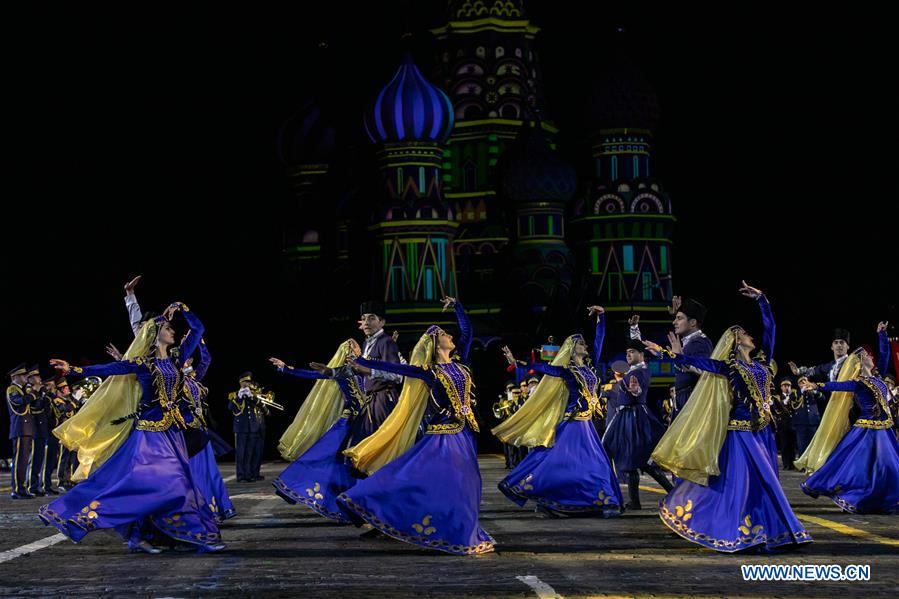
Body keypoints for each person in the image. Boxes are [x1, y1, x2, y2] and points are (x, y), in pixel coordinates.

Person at [644, 282, 812, 552]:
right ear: (736, 341)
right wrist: (667, 354)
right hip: (739, 434)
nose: (750, 336)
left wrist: (762, 301)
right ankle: (738, 532)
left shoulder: (762, 362)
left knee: (765, 485)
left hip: (762, 433)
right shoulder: (728, 367)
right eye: (744, 333)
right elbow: (700, 364)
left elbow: (771, 330)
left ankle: (772, 531)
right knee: (741, 486)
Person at [43, 303, 224, 553]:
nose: (173, 332)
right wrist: (74, 369)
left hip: (173, 433)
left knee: (168, 485)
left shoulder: (177, 358)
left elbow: (198, 328)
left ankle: (143, 536)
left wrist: (182, 307)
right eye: (168, 328)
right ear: (155, 333)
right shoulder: (143, 364)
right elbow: (110, 369)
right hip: (149, 434)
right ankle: (195, 535)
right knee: (173, 482)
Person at [337, 297, 495, 555]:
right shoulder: (429, 372)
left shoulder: (461, 361)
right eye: (443, 334)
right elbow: (397, 368)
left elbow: (468, 331)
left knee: (470, 483)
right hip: (443, 435)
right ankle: (371, 501)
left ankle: (462, 529)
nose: (449, 336)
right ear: (435, 344)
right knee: (448, 482)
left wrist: (457, 307)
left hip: (466, 432)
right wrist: (364, 362)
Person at [494, 306, 622, 517]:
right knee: (558, 465)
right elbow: (543, 368)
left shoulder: (589, 366)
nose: (585, 345)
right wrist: (517, 363)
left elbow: (599, 341)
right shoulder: (566, 371)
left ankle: (597, 502)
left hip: (587, 425)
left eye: (583, 342)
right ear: (571, 349)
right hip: (572, 425)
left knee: (595, 464)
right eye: (580, 343)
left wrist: (601, 317)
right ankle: (591, 502)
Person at [797, 322, 898, 514]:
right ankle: (856, 497)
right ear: (860, 362)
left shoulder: (878, 376)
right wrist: (817, 386)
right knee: (863, 466)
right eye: (867, 355)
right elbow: (838, 386)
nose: (871, 356)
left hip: (885, 430)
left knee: (885, 467)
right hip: (867, 431)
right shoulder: (858, 382)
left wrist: (882, 335)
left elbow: (885, 355)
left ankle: (881, 499)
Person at [269, 339, 365, 523]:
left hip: (368, 421)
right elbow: (313, 375)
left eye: (356, 346)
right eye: (351, 347)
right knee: (324, 456)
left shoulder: (367, 368)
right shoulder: (343, 371)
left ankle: (355, 505)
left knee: (357, 465)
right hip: (349, 422)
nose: (356, 348)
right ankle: (294, 486)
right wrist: (286, 368)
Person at [602, 339, 673, 510]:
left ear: (641, 354)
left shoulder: (641, 371)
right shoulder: (634, 370)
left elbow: (640, 387)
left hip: (633, 417)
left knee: (637, 459)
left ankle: (669, 492)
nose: (628, 355)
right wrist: (634, 327)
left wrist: (636, 390)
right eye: (627, 352)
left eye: (632, 352)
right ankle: (638, 501)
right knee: (635, 460)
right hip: (627, 416)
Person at [630, 296, 712, 419]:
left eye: (679, 318)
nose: (674, 322)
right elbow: (676, 356)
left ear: (693, 322)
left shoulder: (700, 342)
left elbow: (704, 370)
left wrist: (678, 357)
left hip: (694, 400)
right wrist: (662, 352)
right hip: (685, 399)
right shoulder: (689, 342)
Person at [228, 373, 268, 482]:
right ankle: (241, 476)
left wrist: (252, 397)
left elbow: (261, 408)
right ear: (240, 383)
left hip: (252, 428)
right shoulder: (234, 394)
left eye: (248, 382)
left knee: (250, 453)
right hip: (240, 428)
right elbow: (230, 408)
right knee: (241, 454)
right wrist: (239, 397)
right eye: (245, 382)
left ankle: (248, 475)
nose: (247, 384)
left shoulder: (252, 395)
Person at [6, 363, 36, 499]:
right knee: (19, 461)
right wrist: (33, 393)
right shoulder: (12, 389)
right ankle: (17, 490)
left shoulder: (23, 389)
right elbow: (19, 402)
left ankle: (22, 488)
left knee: (24, 461)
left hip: (27, 429)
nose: (26, 377)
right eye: (23, 375)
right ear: (14, 377)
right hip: (20, 428)